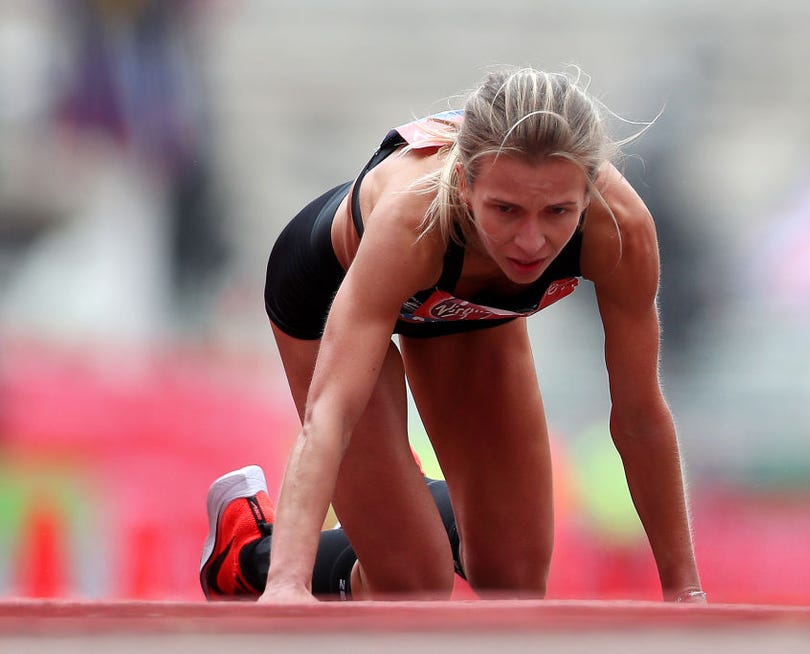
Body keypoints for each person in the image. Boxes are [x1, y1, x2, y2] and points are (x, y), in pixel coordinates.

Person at [199, 66, 705, 603]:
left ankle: (414, 511)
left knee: (513, 582)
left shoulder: (621, 226)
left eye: (557, 212)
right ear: (465, 184)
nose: (531, 241)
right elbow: (332, 414)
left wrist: (686, 592)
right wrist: (286, 583)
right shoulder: (412, 220)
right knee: (415, 586)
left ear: (588, 192)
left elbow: (640, 416)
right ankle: (250, 554)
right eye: (505, 210)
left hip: (467, 308)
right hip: (329, 290)